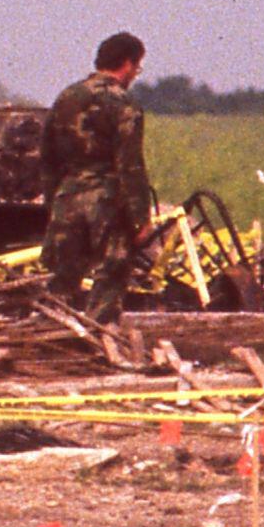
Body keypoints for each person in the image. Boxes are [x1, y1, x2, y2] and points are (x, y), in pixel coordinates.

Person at [40, 33, 156, 320]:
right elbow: (130, 165)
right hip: (107, 202)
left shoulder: (66, 97)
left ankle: (51, 339)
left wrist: (52, 201)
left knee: (61, 281)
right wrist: (141, 218)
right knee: (110, 278)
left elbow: (46, 156)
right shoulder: (124, 104)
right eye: (137, 68)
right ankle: (99, 342)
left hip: (67, 199)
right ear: (127, 64)